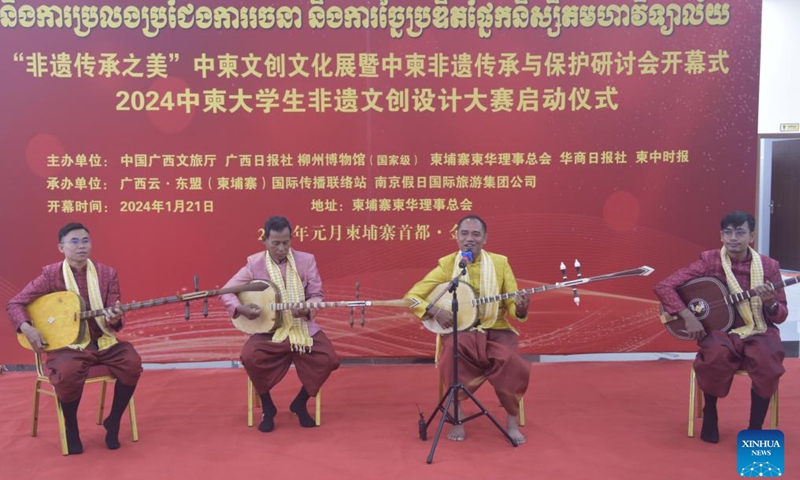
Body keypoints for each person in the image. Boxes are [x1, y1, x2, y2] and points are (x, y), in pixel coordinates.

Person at [6, 222, 142, 454]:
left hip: (104, 342)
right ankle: (71, 427)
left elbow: (115, 320)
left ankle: (114, 420)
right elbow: (14, 303)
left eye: (85, 241)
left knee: (132, 363)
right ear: (61, 247)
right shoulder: (51, 275)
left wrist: (113, 317)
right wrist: (27, 328)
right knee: (67, 372)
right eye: (74, 242)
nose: (81, 246)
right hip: (68, 347)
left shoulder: (107, 274)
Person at [654, 211, 787, 443]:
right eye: (728, 232)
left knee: (768, 359)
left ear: (752, 236)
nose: (733, 238)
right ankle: (711, 414)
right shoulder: (710, 261)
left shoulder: (769, 267)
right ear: (721, 236)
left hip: (759, 330)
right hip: (722, 331)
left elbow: (781, 315)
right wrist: (687, 316)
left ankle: (755, 428)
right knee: (714, 354)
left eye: (740, 232)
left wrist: (771, 303)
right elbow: (664, 286)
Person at [404, 215, 530, 443]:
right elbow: (411, 298)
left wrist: (519, 308)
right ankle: (458, 415)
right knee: (451, 352)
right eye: (464, 234)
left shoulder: (500, 263)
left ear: (485, 239)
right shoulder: (446, 265)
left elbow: (512, 305)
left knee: (511, 359)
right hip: (462, 331)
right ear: (457, 237)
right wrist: (432, 310)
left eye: (475, 234)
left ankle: (511, 421)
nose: (469, 239)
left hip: (496, 329)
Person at [220, 216, 340, 432]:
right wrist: (241, 308)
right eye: (275, 243)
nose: (281, 248)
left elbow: (316, 295)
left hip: (301, 327)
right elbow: (227, 290)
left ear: (291, 239)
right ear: (265, 241)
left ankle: (300, 403)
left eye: (286, 242)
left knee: (329, 358)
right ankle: (268, 406)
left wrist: (307, 308)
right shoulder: (254, 263)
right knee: (250, 357)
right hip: (269, 329)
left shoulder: (306, 261)